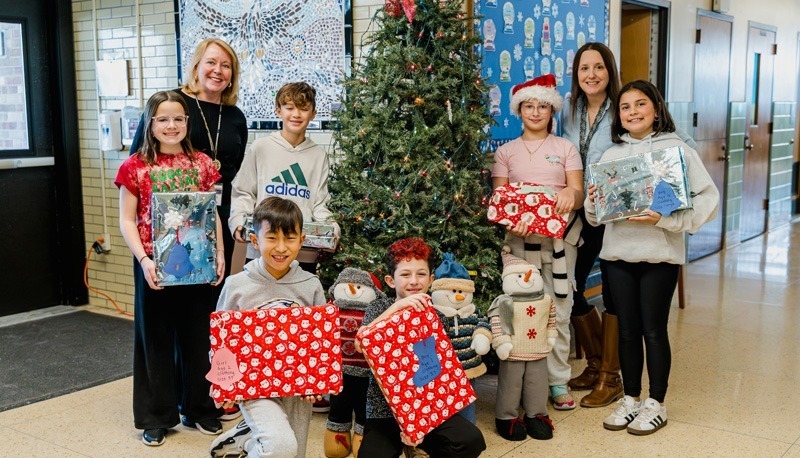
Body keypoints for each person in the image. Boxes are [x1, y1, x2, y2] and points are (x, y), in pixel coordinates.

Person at [562, 42, 698, 408]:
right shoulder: (570, 112)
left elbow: (680, 149)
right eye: (584, 68)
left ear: (610, 71)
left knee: (616, 297)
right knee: (570, 285)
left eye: (599, 67)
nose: (591, 74)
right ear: (576, 74)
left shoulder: (627, 106)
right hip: (585, 212)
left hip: (632, 224)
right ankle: (595, 364)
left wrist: (668, 191)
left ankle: (612, 377)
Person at [585, 80, 718, 435]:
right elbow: (595, 216)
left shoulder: (678, 151)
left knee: (653, 330)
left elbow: (708, 197)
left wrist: (670, 220)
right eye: (625, 107)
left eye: (640, 104)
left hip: (660, 255)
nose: (632, 112)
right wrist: (594, 199)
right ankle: (631, 398)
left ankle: (656, 403)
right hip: (617, 255)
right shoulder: (611, 156)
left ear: (656, 109)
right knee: (626, 331)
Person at [116, 91, 226, 446]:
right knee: (156, 340)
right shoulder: (135, 166)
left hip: (197, 262)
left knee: (198, 339)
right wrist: (144, 260)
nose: (171, 125)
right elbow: (126, 220)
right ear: (150, 123)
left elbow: (212, 216)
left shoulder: (204, 164)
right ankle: (157, 416)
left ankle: (201, 409)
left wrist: (220, 252)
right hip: (154, 266)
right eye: (163, 119)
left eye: (178, 118)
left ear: (187, 123)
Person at [491, 73, 584, 410]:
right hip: (518, 242)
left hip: (559, 242)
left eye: (542, 106)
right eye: (528, 106)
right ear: (519, 110)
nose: (535, 112)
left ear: (551, 111)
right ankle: (523, 383)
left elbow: (578, 191)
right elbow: (499, 197)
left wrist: (569, 197)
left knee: (559, 310)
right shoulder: (506, 152)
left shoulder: (565, 148)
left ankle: (558, 380)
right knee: (522, 308)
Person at [209, 197, 327, 457]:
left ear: (302, 239)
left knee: (292, 452)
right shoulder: (237, 285)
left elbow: (320, 345)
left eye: (290, 238)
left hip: (297, 390)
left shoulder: (311, 286)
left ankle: (248, 440)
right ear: (254, 240)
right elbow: (221, 340)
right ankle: (254, 441)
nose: (281, 247)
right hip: (253, 386)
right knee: (280, 447)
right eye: (272, 238)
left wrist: (317, 381)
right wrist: (223, 383)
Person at [132, 37, 249, 284]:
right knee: (167, 293)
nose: (218, 70)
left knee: (209, 293)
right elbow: (140, 160)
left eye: (226, 65)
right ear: (196, 67)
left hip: (217, 214)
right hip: (168, 219)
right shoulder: (171, 105)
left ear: (232, 75)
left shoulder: (235, 117)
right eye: (211, 62)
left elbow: (233, 167)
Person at [356, 238, 486, 458]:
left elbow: (440, 371)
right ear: (390, 280)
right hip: (384, 411)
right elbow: (360, 343)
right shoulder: (378, 307)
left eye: (421, 274)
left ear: (431, 279)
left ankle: (419, 447)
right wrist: (397, 307)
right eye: (405, 275)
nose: (414, 281)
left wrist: (420, 424)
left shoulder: (438, 317)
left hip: (429, 408)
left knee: (471, 441)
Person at [229, 82, 337, 275]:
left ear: (313, 114)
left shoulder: (318, 155)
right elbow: (243, 191)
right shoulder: (261, 147)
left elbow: (320, 203)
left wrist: (331, 229)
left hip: (302, 253)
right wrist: (238, 221)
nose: (296, 114)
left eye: (303, 109)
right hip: (262, 249)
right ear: (278, 111)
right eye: (289, 108)